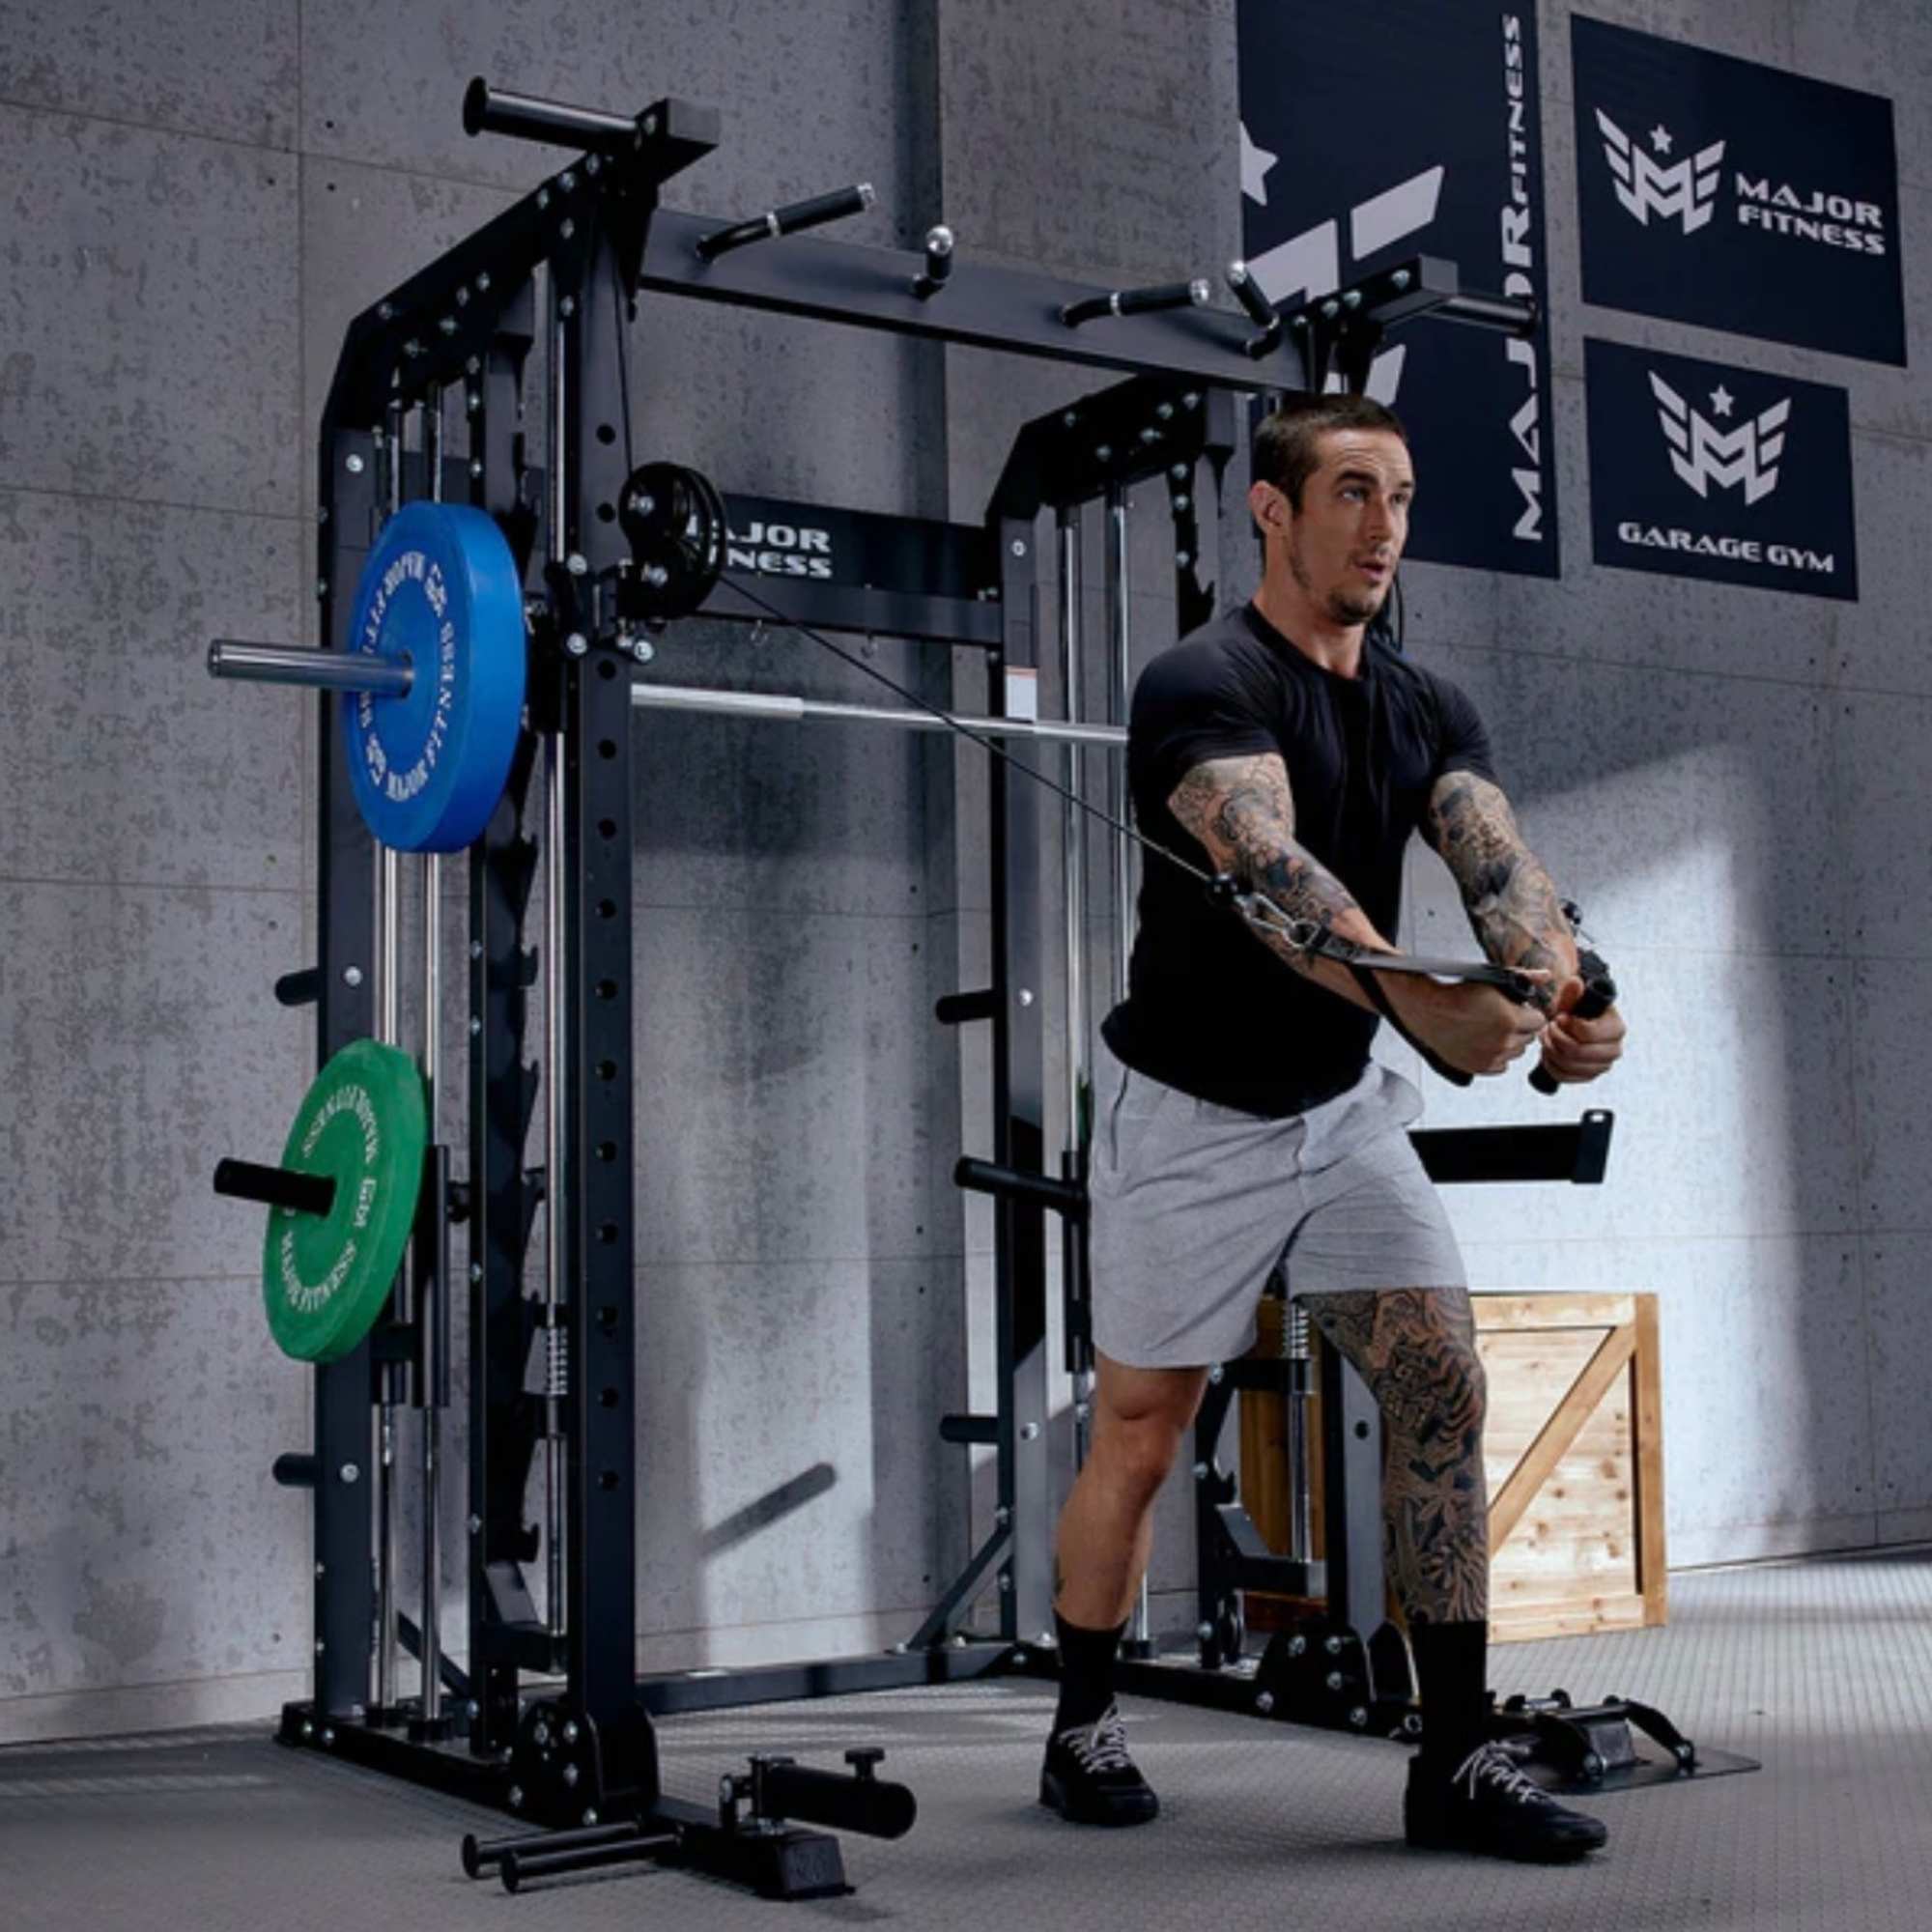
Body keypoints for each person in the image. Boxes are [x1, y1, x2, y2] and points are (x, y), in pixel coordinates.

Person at [1037, 391, 1628, 1861]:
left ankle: (1458, 1760)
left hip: (1341, 1111)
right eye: (1354, 492)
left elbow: (1501, 869)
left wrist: (1563, 998)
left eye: (1402, 497)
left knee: (1441, 1383)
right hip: (1189, 1115)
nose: (1385, 528)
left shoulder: (1425, 704)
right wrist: (1432, 1010)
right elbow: (1282, 885)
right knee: (1142, 1434)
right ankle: (1082, 1718)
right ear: (1273, 509)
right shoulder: (1200, 681)